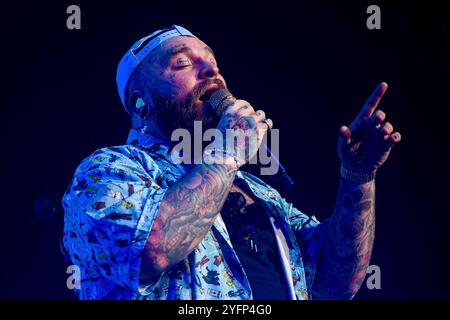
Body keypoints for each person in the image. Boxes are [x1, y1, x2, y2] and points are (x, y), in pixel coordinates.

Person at [62, 25, 401, 300]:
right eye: (182, 64)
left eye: (213, 64)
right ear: (140, 103)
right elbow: (153, 250)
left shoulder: (259, 192)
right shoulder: (107, 171)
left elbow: (337, 283)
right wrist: (229, 153)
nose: (211, 71)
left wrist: (357, 174)